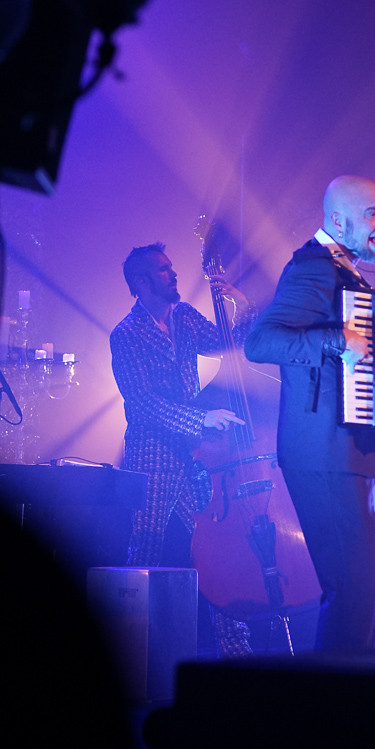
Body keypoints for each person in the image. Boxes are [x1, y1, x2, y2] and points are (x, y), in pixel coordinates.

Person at [244, 174, 375, 655]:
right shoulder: (312, 269)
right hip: (320, 450)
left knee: (358, 592)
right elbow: (260, 343)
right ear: (337, 219)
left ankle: (343, 705)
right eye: (372, 213)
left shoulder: (346, 274)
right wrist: (335, 340)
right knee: (351, 590)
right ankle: (334, 711)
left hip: (346, 449)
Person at [110, 241, 257, 656]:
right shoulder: (126, 335)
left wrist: (239, 304)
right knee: (146, 549)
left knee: (217, 549)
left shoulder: (186, 317)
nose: (174, 275)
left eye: (172, 268)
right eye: (163, 270)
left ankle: (235, 648)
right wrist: (201, 419)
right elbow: (143, 403)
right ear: (141, 282)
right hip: (151, 456)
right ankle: (126, 650)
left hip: (192, 455)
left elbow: (228, 344)